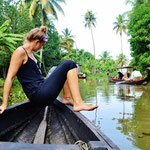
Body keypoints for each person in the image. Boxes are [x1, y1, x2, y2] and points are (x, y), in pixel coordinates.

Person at [0, 26, 98, 114]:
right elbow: (10, 78)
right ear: (37, 42)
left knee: (59, 69)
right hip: (38, 95)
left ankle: (67, 98)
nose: (40, 48)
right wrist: (5, 104)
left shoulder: (32, 55)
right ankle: (78, 103)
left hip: (42, 89)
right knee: (69, 63)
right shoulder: (20, 51)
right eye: (41, 45)